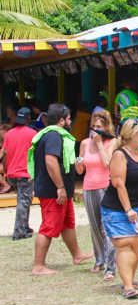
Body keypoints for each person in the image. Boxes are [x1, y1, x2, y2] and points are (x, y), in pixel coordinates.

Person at [28, 104, 94, 275]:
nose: (71, 121)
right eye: (69, 118)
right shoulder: (54, 136)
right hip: (53, 192)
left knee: (67, 223)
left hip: (62, 191)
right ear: (61, 120)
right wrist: (60, 187)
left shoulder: (54, 135)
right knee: (49, 227)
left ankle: (77, 255)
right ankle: (38, 266)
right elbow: (51, 162)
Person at [100, 119, 138, 298]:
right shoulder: (120, 155)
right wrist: (128, 210)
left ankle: (130, 279)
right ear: (133, 136)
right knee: (127, 245)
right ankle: (127, 287)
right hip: (118, 210)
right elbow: (119, 184)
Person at [75, 111, 119, 280]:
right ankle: (99, 259)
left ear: (106, 127)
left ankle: (110, 266)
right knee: (94, 227)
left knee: (107, 227)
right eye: (93, 127)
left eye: (99, 127)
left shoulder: (112, 142)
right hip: (88, 187)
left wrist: (100, 144)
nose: (95, 130)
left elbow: (108, 162)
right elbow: (80, 169)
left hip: (106, 187)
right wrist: (78, 165)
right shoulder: (85, 143)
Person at [3, 108, 37, 239]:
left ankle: (25, 226)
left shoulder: (9, 133)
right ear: (28, 119)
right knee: (24, 201)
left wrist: (6, 171)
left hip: (12, 172)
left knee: (22, 199)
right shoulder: (32, 133)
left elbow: (5, 153)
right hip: (25, 172)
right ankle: (19, 232)